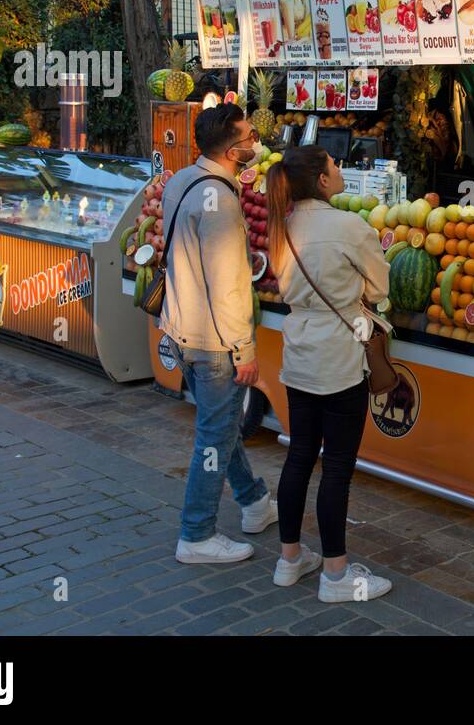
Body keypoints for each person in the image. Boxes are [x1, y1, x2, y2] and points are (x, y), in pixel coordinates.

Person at [266, 145, 393, 602]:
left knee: (299, 456)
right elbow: (380, 286)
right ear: (321, 179)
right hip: (340, 357)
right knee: (336, 468)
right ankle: (336, 576)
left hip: (298, 351)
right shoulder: (350, 226)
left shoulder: (283, 226)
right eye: (334, 165)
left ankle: (289, 559)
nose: (340, 170)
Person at [160, 103, 278, 565]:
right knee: (213, 436)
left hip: (179, 328)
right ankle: (196, 534)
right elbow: (229, 286)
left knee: (220, 425)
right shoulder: (223, 204)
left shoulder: (178, 181)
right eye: (249, 137)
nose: (255, 143)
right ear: (233, 150)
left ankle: (254, 503)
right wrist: (244, 351)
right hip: (213, 342)